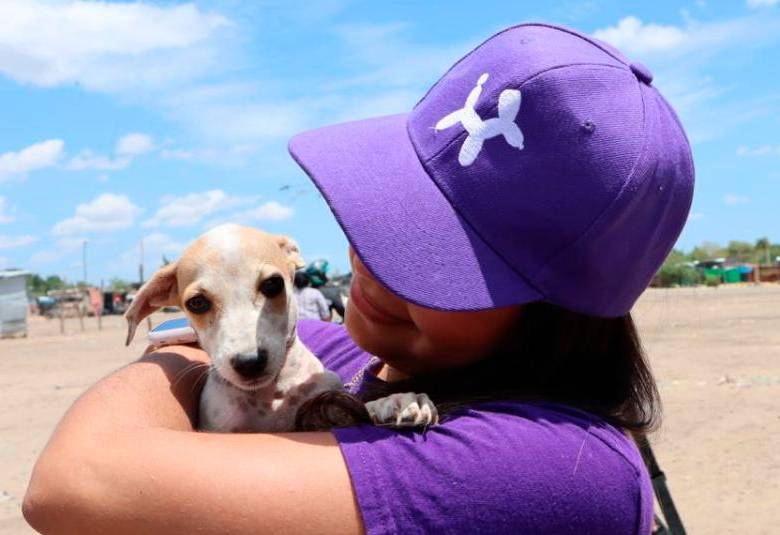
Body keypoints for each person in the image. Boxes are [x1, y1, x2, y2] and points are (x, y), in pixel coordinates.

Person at [23, 23, 693, 534]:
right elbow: (191, 333)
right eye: (387, 217)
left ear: (555, 311)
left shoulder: (556, 468)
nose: (371, 260)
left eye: (438, 259)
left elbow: (73, 481)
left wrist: (174, 357)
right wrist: (185, 332)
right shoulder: (360, 354)